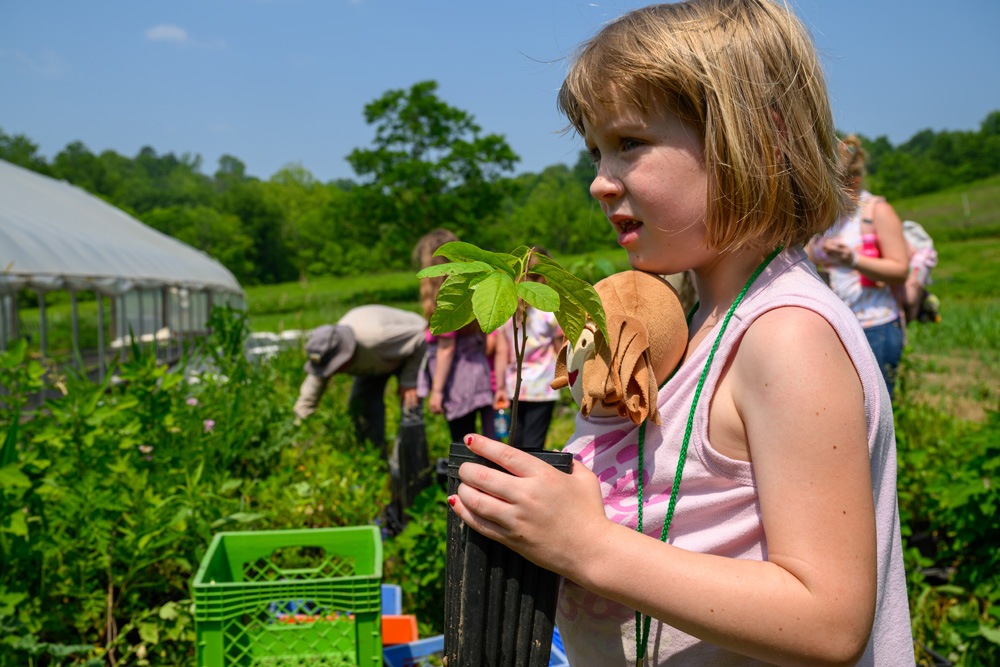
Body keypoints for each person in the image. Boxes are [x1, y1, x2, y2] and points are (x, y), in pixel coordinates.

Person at [447, 1, 914, 665]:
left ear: (758, 139)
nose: (599, 183)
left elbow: (828, 618)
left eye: (629, 143)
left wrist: (591, 547)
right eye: (596, 152)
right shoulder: (704, 321)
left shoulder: (786, 336)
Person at [292, 304, 430, 529]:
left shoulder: (376, 338)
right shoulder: (328, 348)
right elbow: (311, 392)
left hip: (407, 351)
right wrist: (298, 429)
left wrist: (408, 380)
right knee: (360, 409)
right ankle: (376, 464)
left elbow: (422, 334)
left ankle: (413, 476)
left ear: (345, 356)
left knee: (410, 413)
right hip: (375, 362)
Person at [807, 134, 910, 397]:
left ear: (855, 178)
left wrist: (853, 260)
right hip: (835, 326)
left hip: (875, 324)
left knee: (872, 410)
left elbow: (900, 270)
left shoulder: (876, 211)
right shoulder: (827, 216)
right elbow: (807, 256)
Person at [413, 229, 496, 443]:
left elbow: (446, 347)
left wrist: (437, 391)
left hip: (459, 380)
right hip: (479, 370)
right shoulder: (470, 289)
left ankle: (466, 476)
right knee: (486, 439)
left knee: (462, 441)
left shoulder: (447, 300)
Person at [502, 248, 564, 450]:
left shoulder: (508, 309)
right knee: (534, 443)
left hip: (515, 385)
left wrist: (501, 386)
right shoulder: (549, 311)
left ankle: (512, 478)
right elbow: (559, 348)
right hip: (542, 387)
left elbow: (503, 350)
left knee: (515, 441)